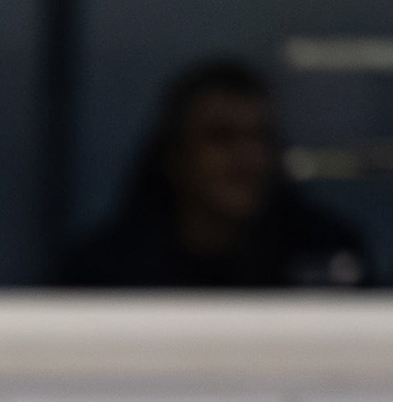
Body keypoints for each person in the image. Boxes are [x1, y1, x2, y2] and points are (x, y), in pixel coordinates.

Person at [60, 56, 369, 290]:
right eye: (220, 137)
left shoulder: (327, 254)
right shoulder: (109, 272)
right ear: (174, 156)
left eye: (260, 136)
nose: (246, 156)